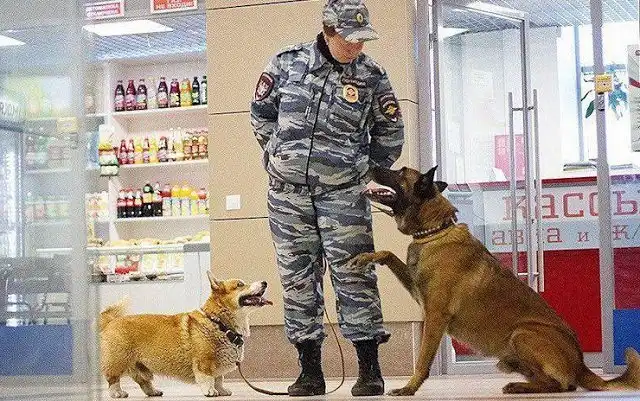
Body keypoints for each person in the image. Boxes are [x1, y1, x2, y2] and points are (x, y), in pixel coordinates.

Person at [250, 0, 404, 396]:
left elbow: (390, 132)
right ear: (328, 30)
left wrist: (364, 171)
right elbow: (261, 115)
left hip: (344, 195)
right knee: (297, 279)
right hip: (287, 196)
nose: (357, 46)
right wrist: (277, 156)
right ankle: (309, 372)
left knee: (355, 275)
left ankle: (370, 370)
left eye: (362, 39)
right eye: (350, 39)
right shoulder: (286, 64)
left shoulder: (371, 75)